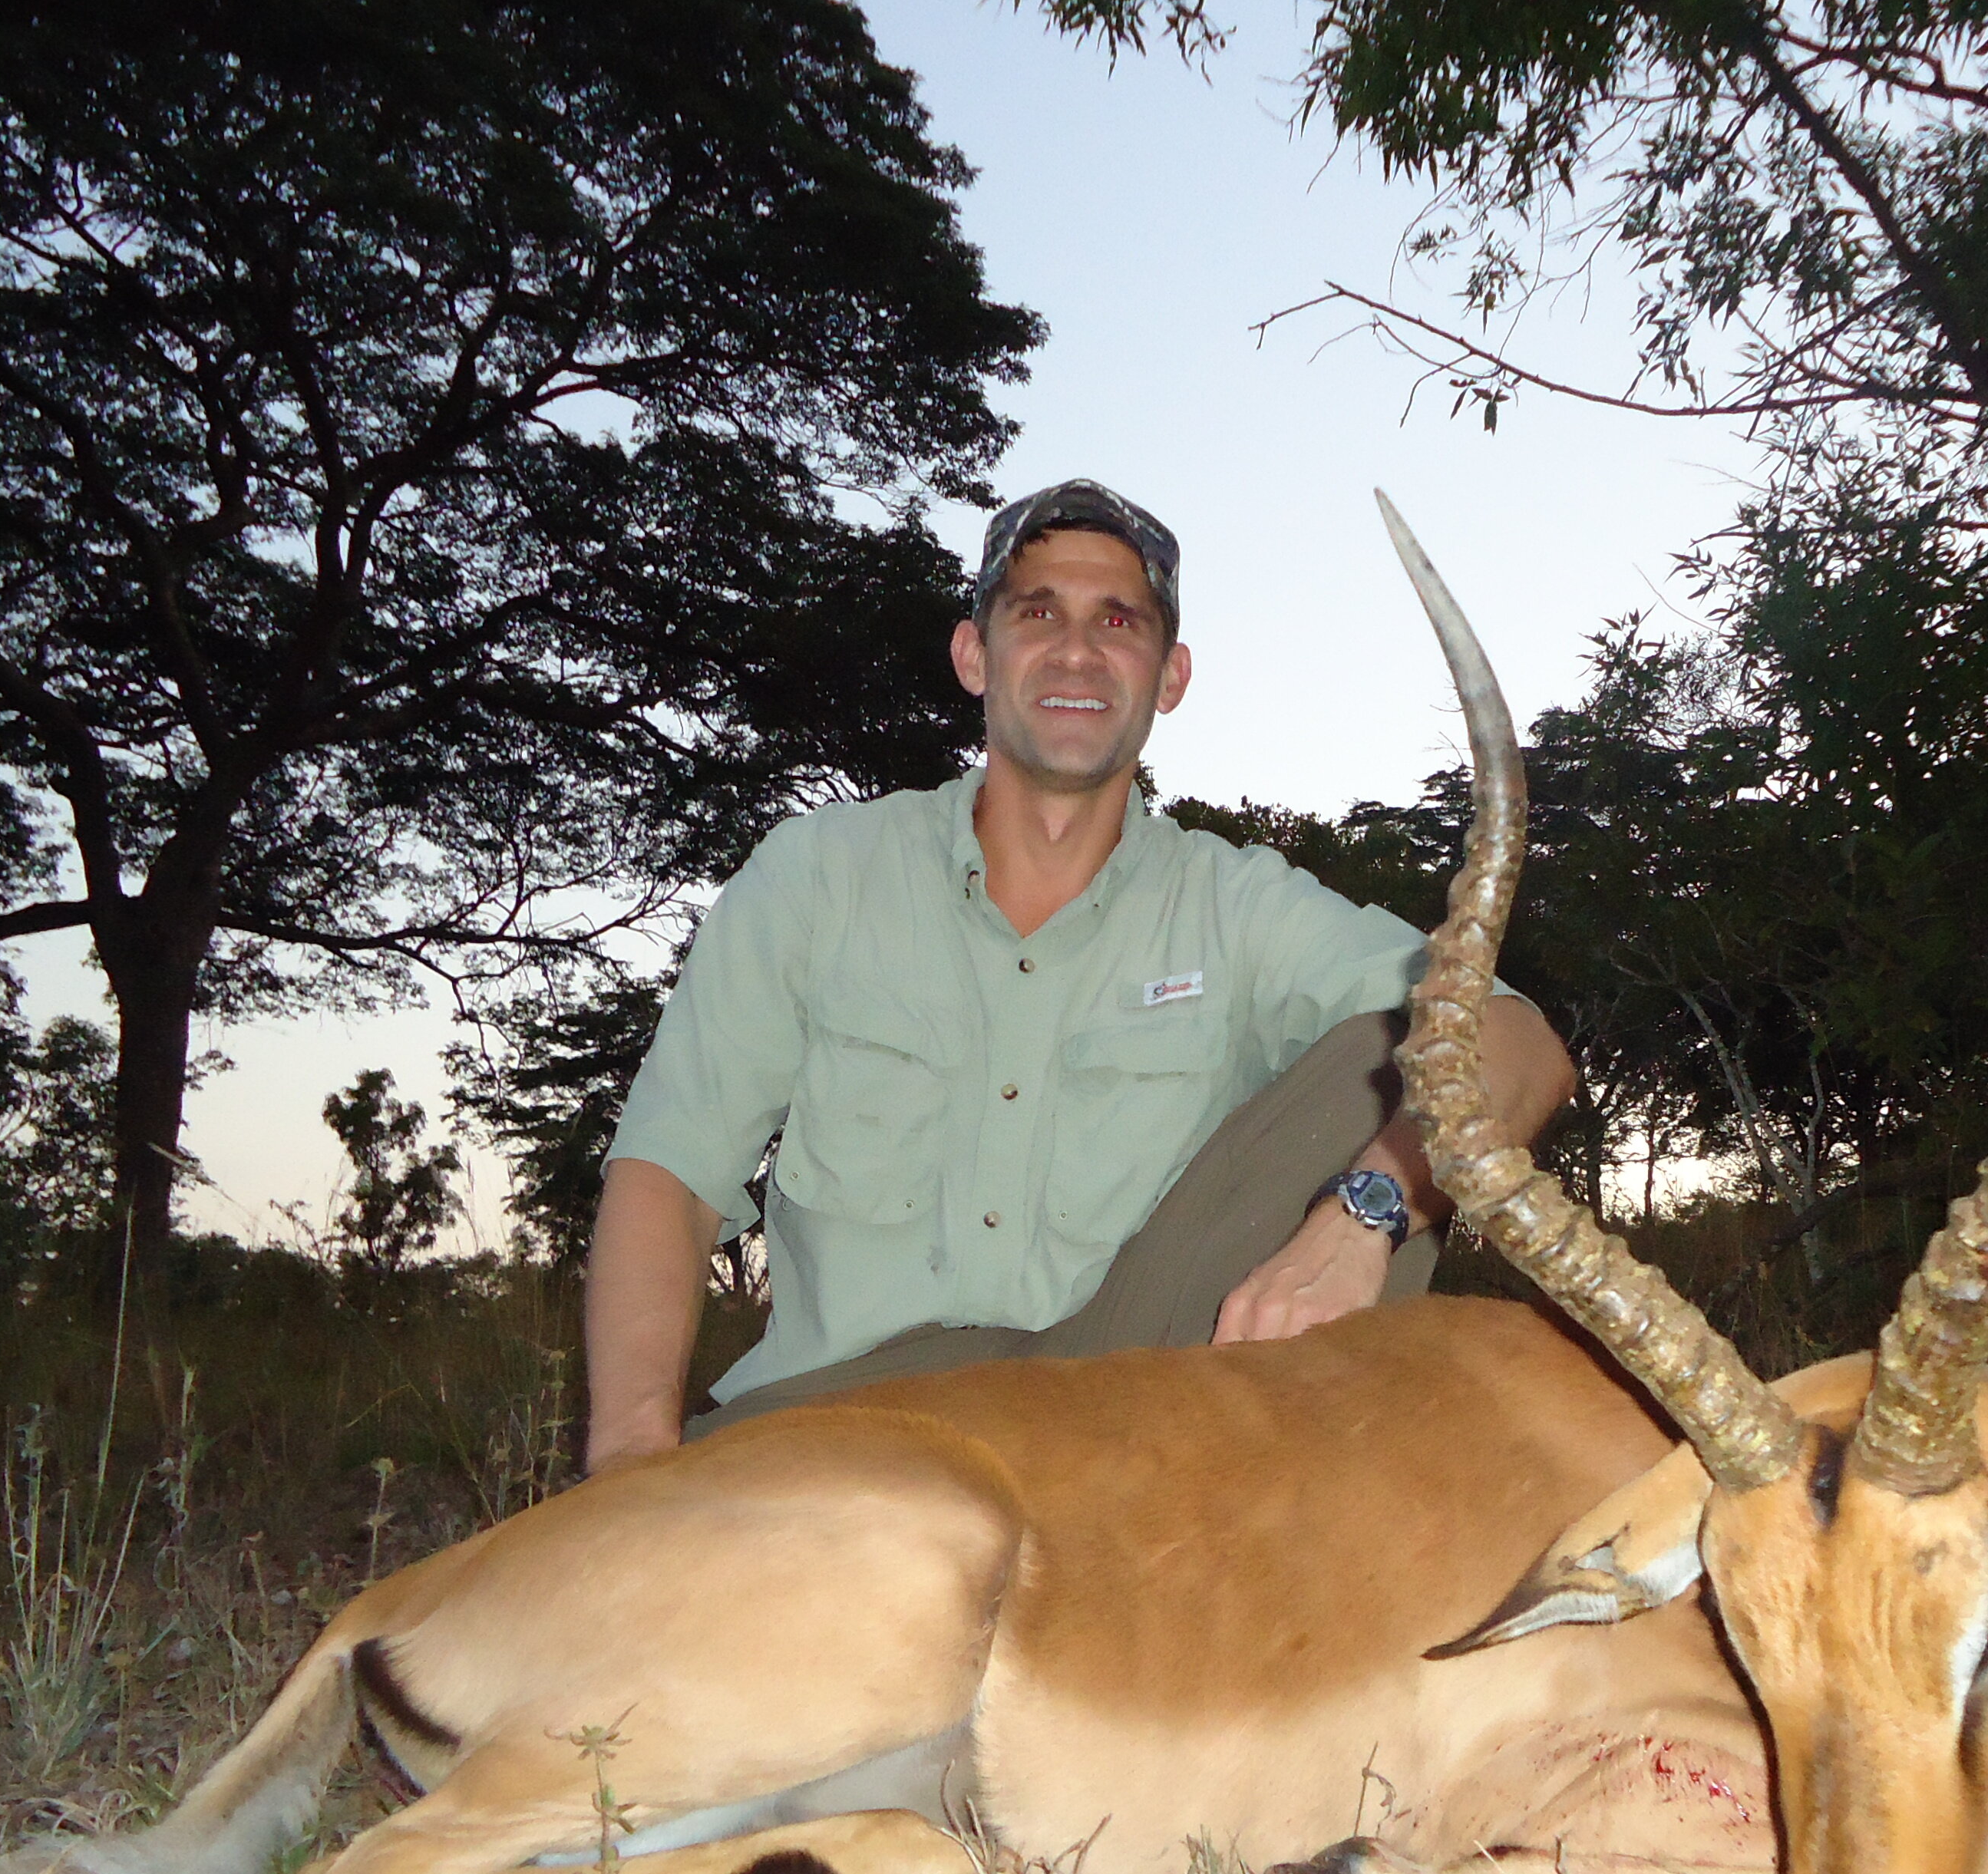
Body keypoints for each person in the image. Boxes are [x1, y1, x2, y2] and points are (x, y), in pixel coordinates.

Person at [580, 480, 1576, 1473]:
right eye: (1037, 612)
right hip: (840, 1419)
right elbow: (670, 1170)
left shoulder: (1230, 905)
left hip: (1126, 1410)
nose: (1077, 650)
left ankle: (1267, 1543)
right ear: (976, 654)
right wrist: (627, 1458)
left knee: (1395, 1052)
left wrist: (1362, 1219)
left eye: (1118, 620)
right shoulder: (816, 876)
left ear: (1170, 674)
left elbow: (1517, 1038)